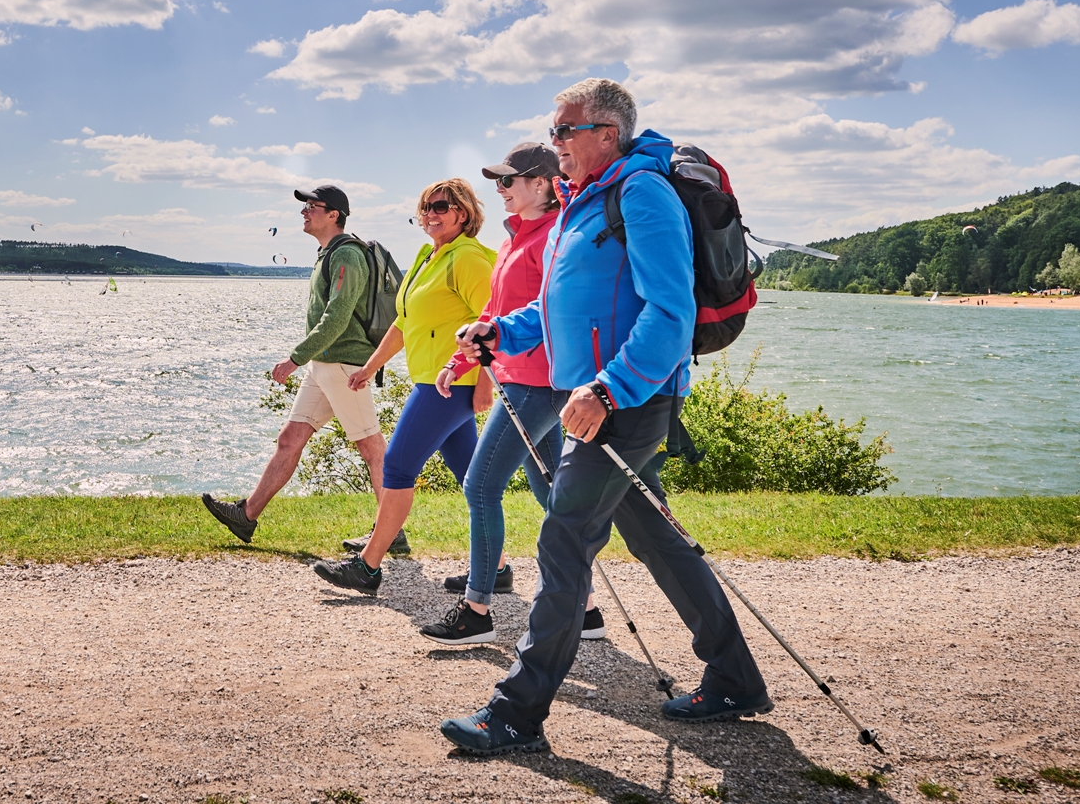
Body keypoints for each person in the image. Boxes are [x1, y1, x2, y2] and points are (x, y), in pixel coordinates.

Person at [439, 78, 770, 757]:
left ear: (606, 134)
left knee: (564, 539)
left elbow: (670, 314)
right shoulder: (581, 204)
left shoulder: (640, 194)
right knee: (655, 536)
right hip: (598, 397)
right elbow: (562, 310)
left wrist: (609, 389)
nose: (554, 141)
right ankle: (734, 677)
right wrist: (500, 332)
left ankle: (516, 713)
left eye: (564, 130)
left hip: (626, 400)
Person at [415, 144, 603, 647]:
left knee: (479, 486)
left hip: (540, 382)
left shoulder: (557, 238)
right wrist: (460, 362)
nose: (500, 191)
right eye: (498, 182)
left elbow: (554, 314)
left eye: (508, 181)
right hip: (516, 376)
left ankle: (477, 609)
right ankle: (585, 609)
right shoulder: (516, 239)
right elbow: (494, 314)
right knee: (548, 492)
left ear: (541, 183)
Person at [311, 178, 494, 594]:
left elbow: (494, 321)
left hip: (451, 383)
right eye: (425, 207)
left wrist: (484, 384)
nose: (430, 214)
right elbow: (404, 320)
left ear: (463, 213)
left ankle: (368, 567)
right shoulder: (429, 256)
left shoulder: (466, 259)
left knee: (396, 466)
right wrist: (369, 365)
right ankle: (495, 566)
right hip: (434, 379)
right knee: (469, 475)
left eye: (441, 207)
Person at [202, 185, 383, 543]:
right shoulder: (327, 253)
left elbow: (337, 316)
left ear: (334, 215)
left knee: (372, 448)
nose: (305, 211)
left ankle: (390, 529)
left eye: (312, 206)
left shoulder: (347, 255)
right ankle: (246, 515)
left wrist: (295, 358)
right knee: (290, 439)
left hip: (346, 366)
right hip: (326, 365)